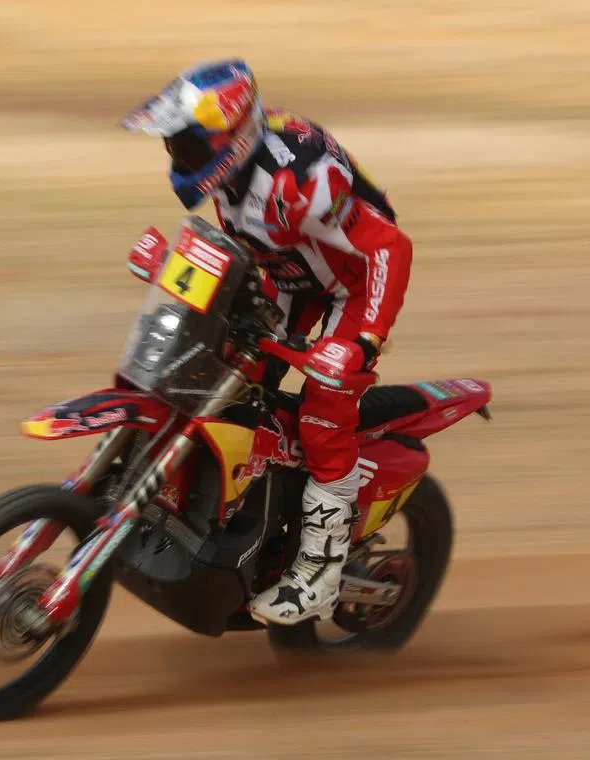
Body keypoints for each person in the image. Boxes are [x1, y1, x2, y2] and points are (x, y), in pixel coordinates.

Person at [122, 59, 413, 626]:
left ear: (232, 137)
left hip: (349, 289)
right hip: (283, 278)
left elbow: (390, 250)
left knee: (326, 411)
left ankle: (319, 572)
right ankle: (226, 520)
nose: (178, 158)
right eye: (173, 146)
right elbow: (239, 254)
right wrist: (170, 266)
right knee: (212, 372)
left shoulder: (303, 179)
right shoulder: (229, 176)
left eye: (186, 145)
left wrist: (363, 343)